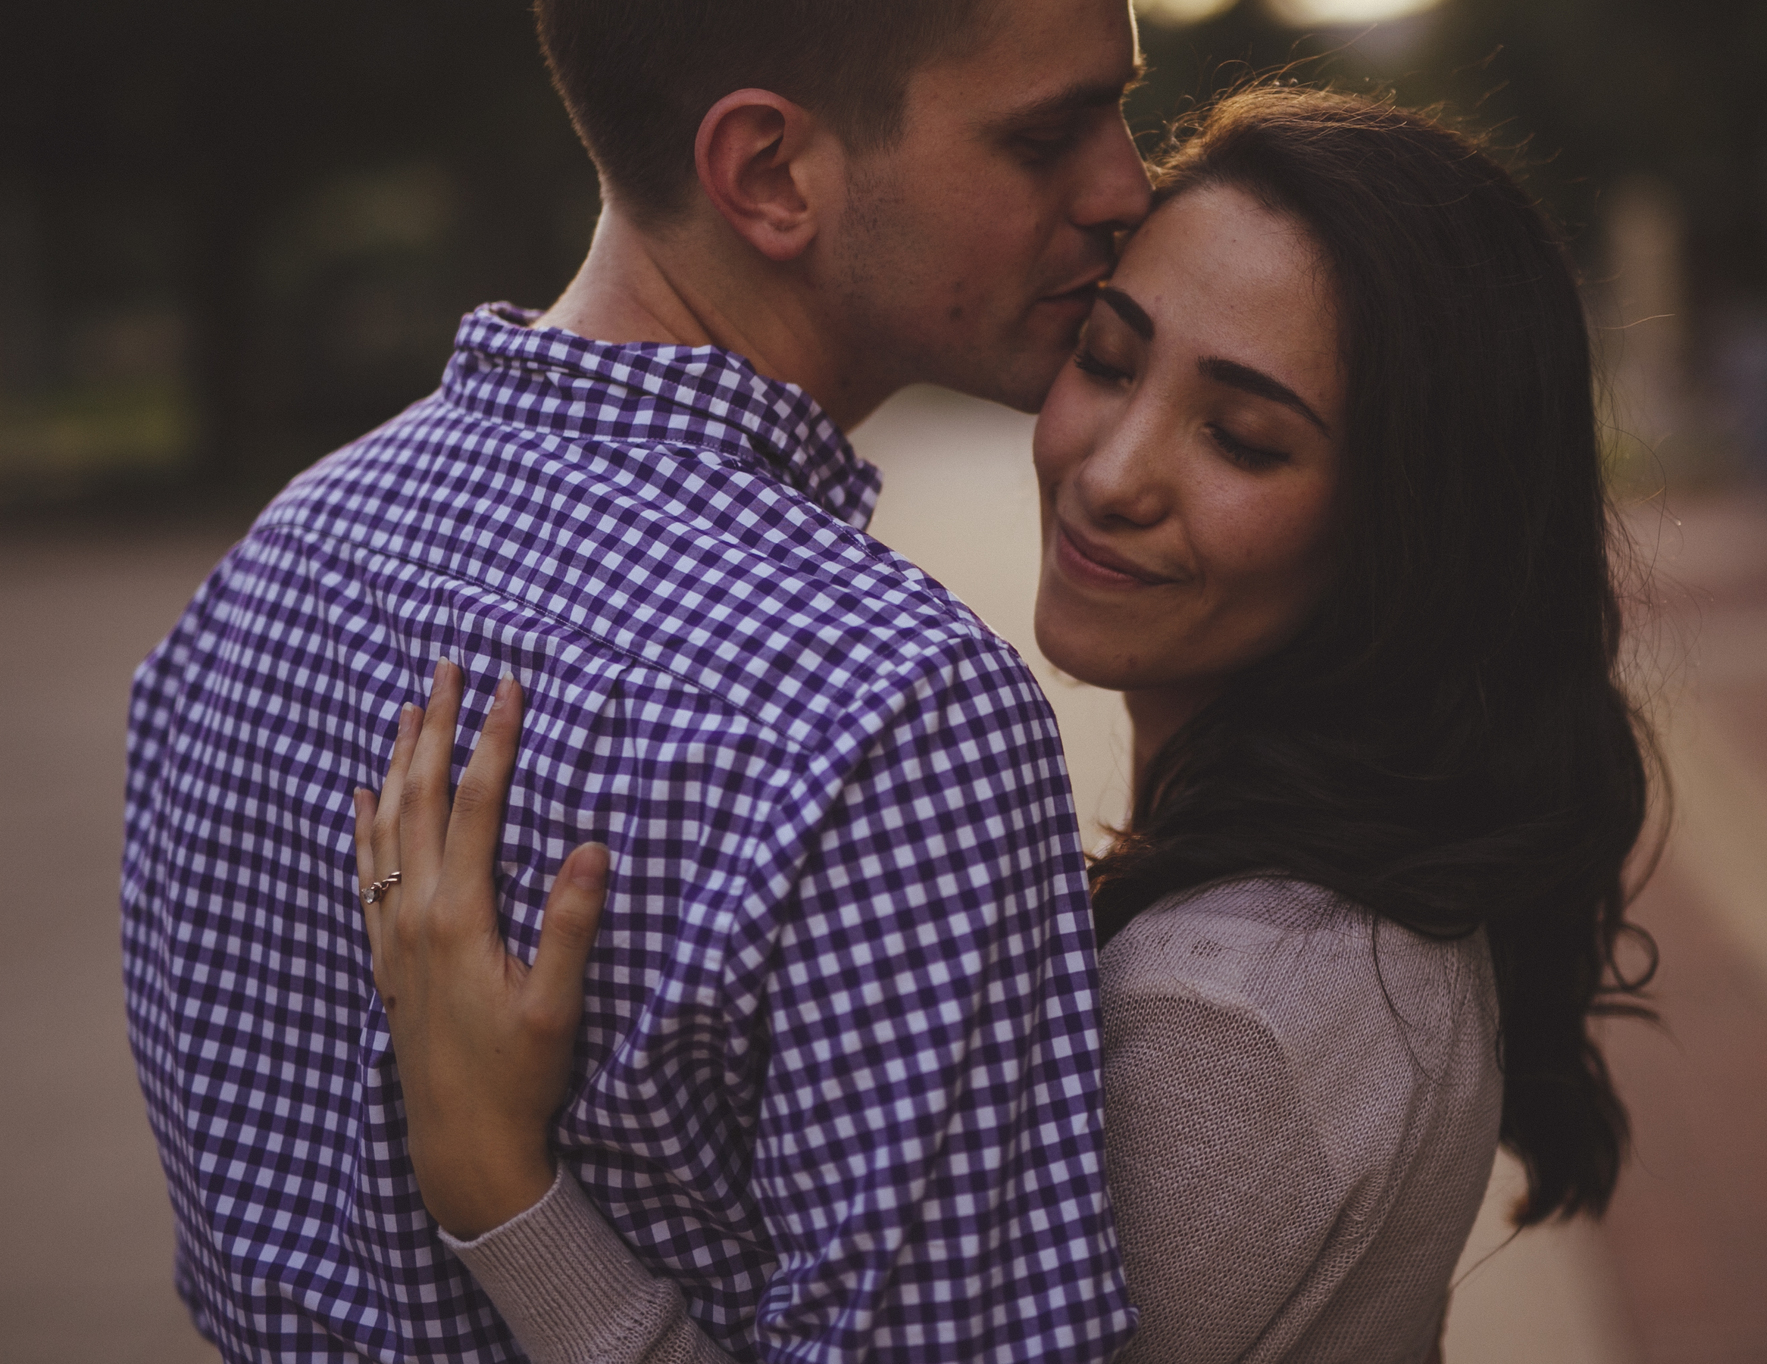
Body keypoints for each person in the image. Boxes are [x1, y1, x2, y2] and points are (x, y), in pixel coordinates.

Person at [121, 0, 1156, 1363]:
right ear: (768, 175)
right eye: (1046, 132)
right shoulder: (889, 715)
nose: (1127, 188)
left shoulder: (271, 576)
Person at [357, 87, 1658, 1364]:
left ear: (1409, 532)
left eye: (1244, 439)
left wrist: (499, 1188)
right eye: (1109, 358)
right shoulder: (1330, 907)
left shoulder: (1236, 1020)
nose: (1110, 472)